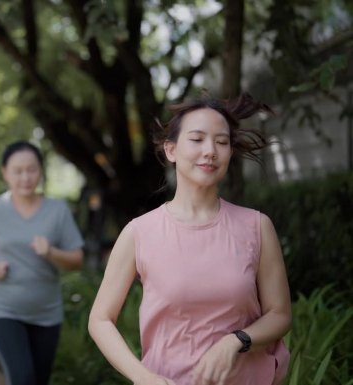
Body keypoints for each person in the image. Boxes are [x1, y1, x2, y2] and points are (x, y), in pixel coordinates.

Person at [88, 94, 292, 385]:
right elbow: (100, 319)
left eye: (222, 142)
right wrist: (142, 376)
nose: (210, 151)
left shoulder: (257, 226)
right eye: (197, 139)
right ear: (170, 150)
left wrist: (236, 341)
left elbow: (280, 314)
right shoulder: (139, 232)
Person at [0, 141, 85, 385]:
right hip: (1, 308)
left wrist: (51, 252)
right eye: (18, 171)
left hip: (47, 312)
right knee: (22, 378)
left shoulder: (57, 210)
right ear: (4, 172)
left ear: (40, 171)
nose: (25, 177)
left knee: (39, 380)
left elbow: (77, 260)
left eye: (32, 169)